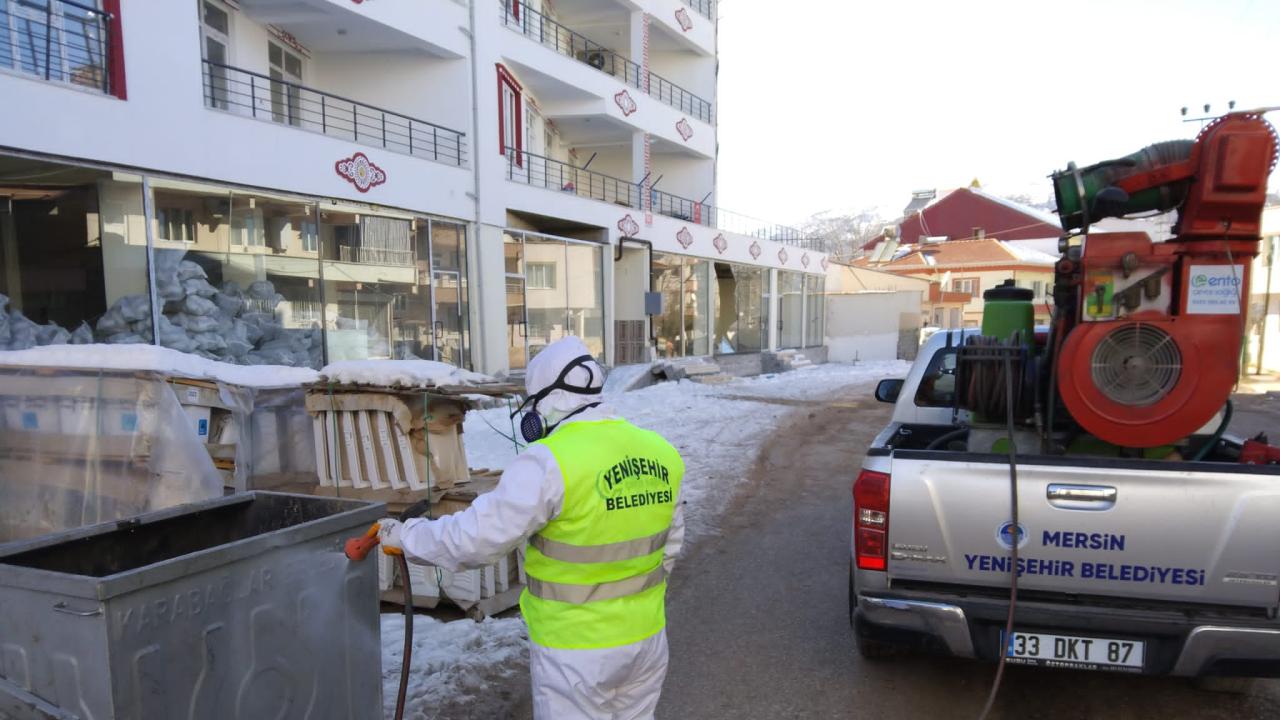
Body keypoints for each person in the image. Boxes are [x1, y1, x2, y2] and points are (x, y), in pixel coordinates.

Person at [374, 336, 686, 720]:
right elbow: (669, 547)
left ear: (547, 399)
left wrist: (404, 536)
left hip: (575, 652)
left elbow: (473, 540)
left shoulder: (550, 461)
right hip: (646, 641)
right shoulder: (659, 451)